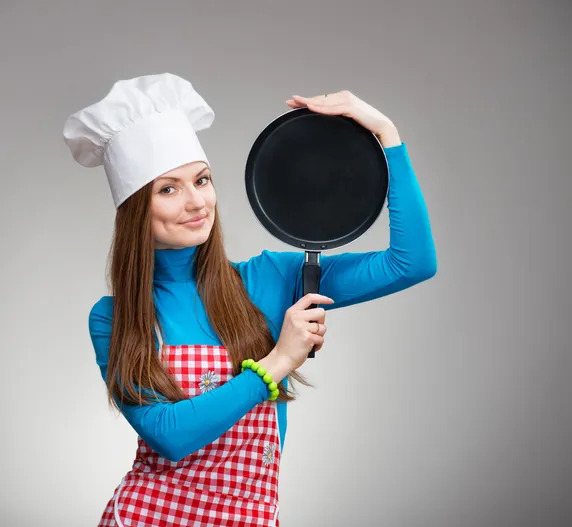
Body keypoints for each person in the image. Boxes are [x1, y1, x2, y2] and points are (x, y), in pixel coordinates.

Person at [63, 72, 437, 527]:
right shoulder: (114, 318)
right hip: (149, 516)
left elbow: (411, 262)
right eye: (168, 189)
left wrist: (388, 136)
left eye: (201, 180)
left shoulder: (271, 278)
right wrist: (278, 361)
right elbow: (169, 435)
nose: (196, 202)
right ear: (136, 207)